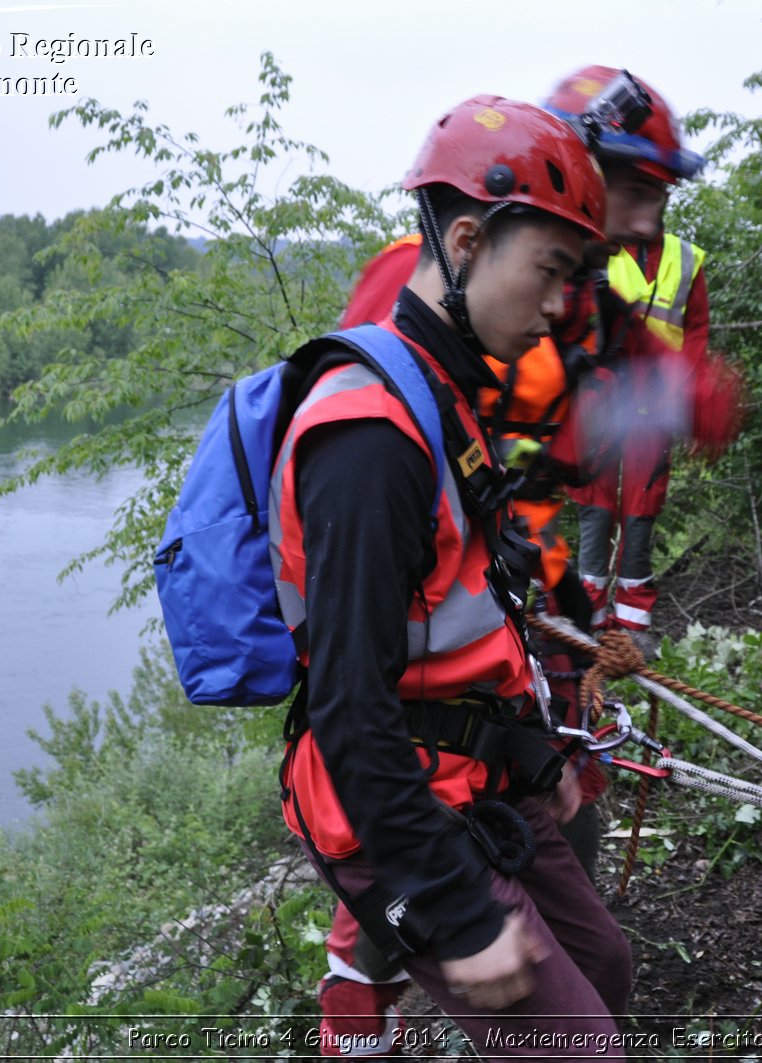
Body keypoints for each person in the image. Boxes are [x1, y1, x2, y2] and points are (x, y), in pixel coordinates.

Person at [270, 96, 632, 1057]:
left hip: (478, 772)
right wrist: (450, 908)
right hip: (401, 804)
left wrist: (531, 754)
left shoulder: (441, 399)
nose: (560, 307)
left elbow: (463, 622)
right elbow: (350, 706)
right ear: (467, 240)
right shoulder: (369, 434)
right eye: (549, 271)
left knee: (608, 972)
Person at [547, 66, 714, 651]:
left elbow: (686, 338)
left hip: (648, 414)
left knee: (640, 511)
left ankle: (629, 626)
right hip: (600, 407)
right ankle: (588, 611)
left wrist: (690, 397)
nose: (647, 219)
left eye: (658, 198)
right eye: (636, 192)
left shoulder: (658, 267)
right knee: (594, 507)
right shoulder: (550, 285)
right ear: (580, 174)